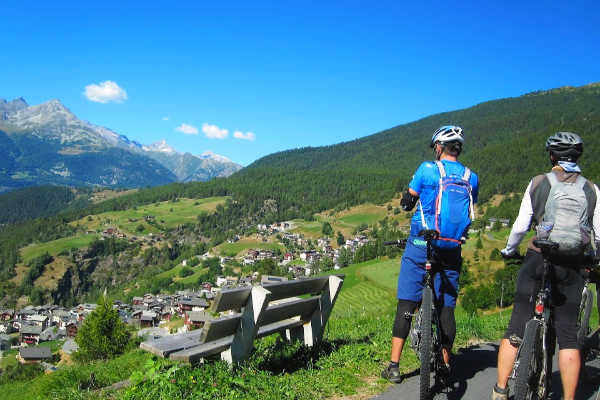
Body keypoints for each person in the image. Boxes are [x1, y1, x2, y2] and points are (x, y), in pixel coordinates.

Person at [491, 132, 600, 400]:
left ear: (552, 156)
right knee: (568, 336)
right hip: (572, 265)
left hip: (539, 259)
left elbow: (520, 226)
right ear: (577, 157)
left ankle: (500, 390)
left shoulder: (539, 182)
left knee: (516, 327)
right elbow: (598, 232)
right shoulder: (592, 189)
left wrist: (509, 250)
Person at [381, 125, 479, 383]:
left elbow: (406, 202)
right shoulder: (471, 177)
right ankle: (446, 364)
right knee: (446, 308)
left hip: (420, 245)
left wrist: (410, 199)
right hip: (452, 249)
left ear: (438, 147)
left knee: (406, 304)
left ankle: (393, 365)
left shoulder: (427, 170)